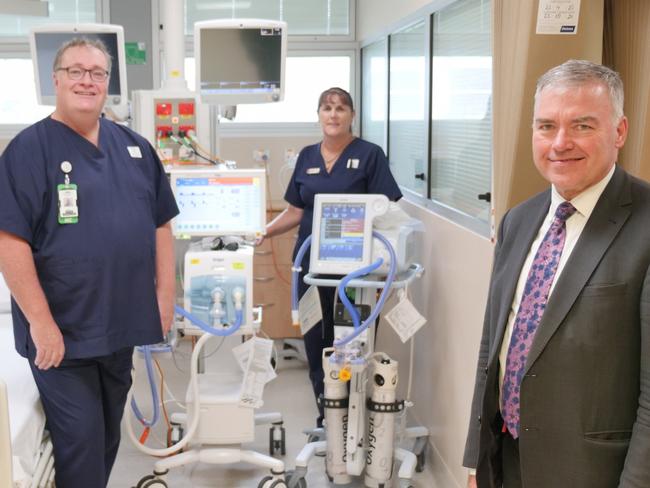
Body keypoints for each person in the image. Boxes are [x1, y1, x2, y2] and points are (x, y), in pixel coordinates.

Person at [463, 59, 650, 488]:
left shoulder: (644, 224)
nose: (560, 143)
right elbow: (491, 349)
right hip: (508, 461)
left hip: (591, 472)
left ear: (619, 132)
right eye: (546, 126)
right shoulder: (518, 221)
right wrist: (477, 460)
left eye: (583, 126)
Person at [0, 38, 178, 487]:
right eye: (76, 71)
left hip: (120, 327)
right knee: (80, 443)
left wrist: (164, 297)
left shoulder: (136, 149)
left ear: (108, 84)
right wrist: (40, 323)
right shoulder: (28, 150)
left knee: (104, 440)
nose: (87, 81)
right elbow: (8, 239)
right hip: (63, 334)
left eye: (97, 73)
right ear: (56, 80)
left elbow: (160, 224)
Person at [263, 87, 402, 426]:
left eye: (341, 108)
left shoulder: (370, 155)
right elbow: (296, 210)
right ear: (319, 115)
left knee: (352, 339)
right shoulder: (307, 157)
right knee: (315, 339)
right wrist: (264, 231)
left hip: (355, 270)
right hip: (311, 267)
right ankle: (326, 415)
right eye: (327, 108)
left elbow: (387, 212)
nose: (333, 115)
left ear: (352, 115)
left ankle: (354, 417)